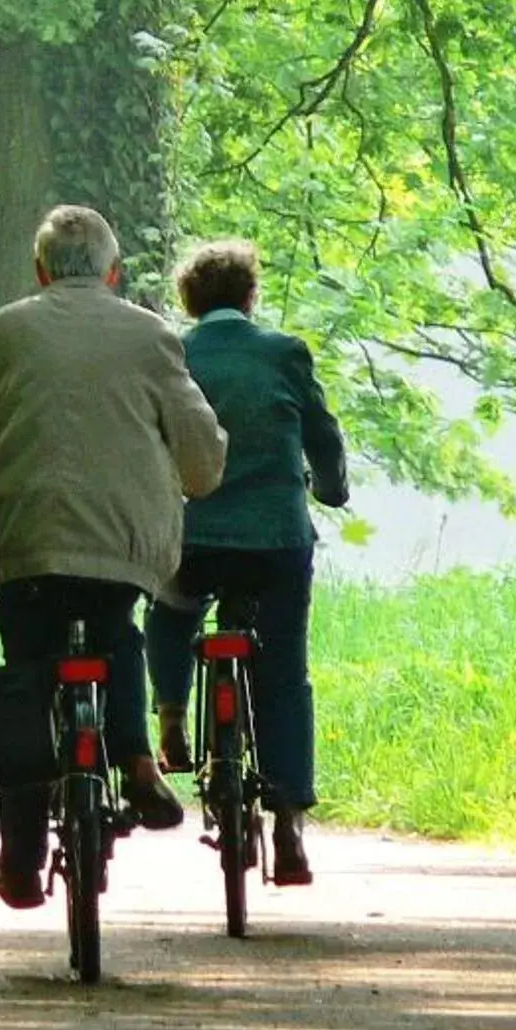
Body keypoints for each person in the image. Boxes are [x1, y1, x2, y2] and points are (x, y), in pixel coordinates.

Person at [0, 204, 228, 909]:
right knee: (116, 630)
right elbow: (200, 453)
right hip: (123, 540)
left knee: (27, 677)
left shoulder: (1, 333)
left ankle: (21, 860)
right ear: (114, 273)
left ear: (39, 271)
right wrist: (194, 475)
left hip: (25, 539)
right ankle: (136, 761)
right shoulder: (150, 336)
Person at [146, 237, 349, 888]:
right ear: (250, 295)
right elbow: (321, 434)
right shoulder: (284, 353)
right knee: (283, 669)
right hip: (275, 540)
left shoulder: (170, 352)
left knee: (170, 611)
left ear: (187, 300)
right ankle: (287, 823)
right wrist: (330, 489)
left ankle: (172, 718)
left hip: (193, 538)